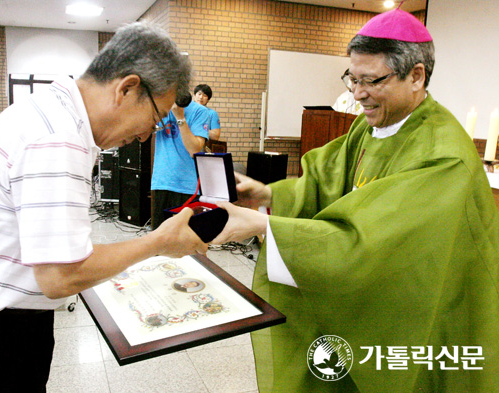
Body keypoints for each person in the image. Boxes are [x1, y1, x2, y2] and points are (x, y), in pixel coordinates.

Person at [211, 8, 499, 393]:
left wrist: (266, 227)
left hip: (420, 310)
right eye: (353, 78)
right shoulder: (370, 128)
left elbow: (377, 243)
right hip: (368, 301)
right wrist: (268, 194)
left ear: (416, 76)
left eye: (371, 80)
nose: (358, 93)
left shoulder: (443, 155)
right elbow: (326, 181)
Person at [0, 22, 207, 393]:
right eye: (154, 120)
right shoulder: (60, 137)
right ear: (127, 88)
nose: (143, 135)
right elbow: (60, 277)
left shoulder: (51, 107)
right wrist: (159, 242)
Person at [151, 98, 209, 229]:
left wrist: (180, 117)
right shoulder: (159, 108)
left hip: (187, 185)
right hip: (162, 181)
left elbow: (194, 150)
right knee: (159, 239)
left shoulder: (199, 111)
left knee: (190, 239)